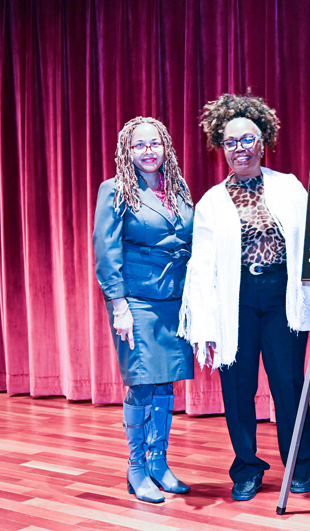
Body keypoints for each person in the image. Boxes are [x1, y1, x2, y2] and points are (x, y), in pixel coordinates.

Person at [178, 93, 310, 501]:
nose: (240, 148)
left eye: (248, 139)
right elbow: (202, 265)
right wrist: (204, 320)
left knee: (289, 385)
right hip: (234, 301)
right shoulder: (211, 202)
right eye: (230, 141)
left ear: (264, 142)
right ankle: (246, 469)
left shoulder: (290, 188)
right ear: (221, 148)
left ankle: (300, 463)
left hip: (281, 298)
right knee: (237, 389)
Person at [93, 116, 195, 504]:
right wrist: (118, 304)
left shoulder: (179, 190)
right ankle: (136, 469)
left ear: (165, 146)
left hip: (174, 301)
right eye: (140, 145)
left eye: (155, 144)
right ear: (127, 151)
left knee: (166, 381)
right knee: (141, 381)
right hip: (135, 301)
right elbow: (107, 250)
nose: (148, 151)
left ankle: (159, 463)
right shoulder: (115, 190)